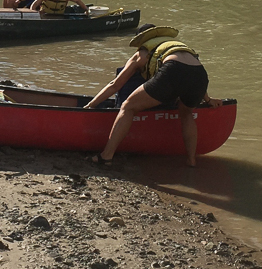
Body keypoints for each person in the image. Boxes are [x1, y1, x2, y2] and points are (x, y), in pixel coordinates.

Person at [84, 24, 211, 167]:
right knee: (186, 113)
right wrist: (208, 99)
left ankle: (106, 157)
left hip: (173, 71)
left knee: (128, 106)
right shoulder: (178, 46)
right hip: (200, 75)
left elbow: (115, 84)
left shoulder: (143, 52)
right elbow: (190, 72)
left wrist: (91, 105)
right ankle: (191, 161)